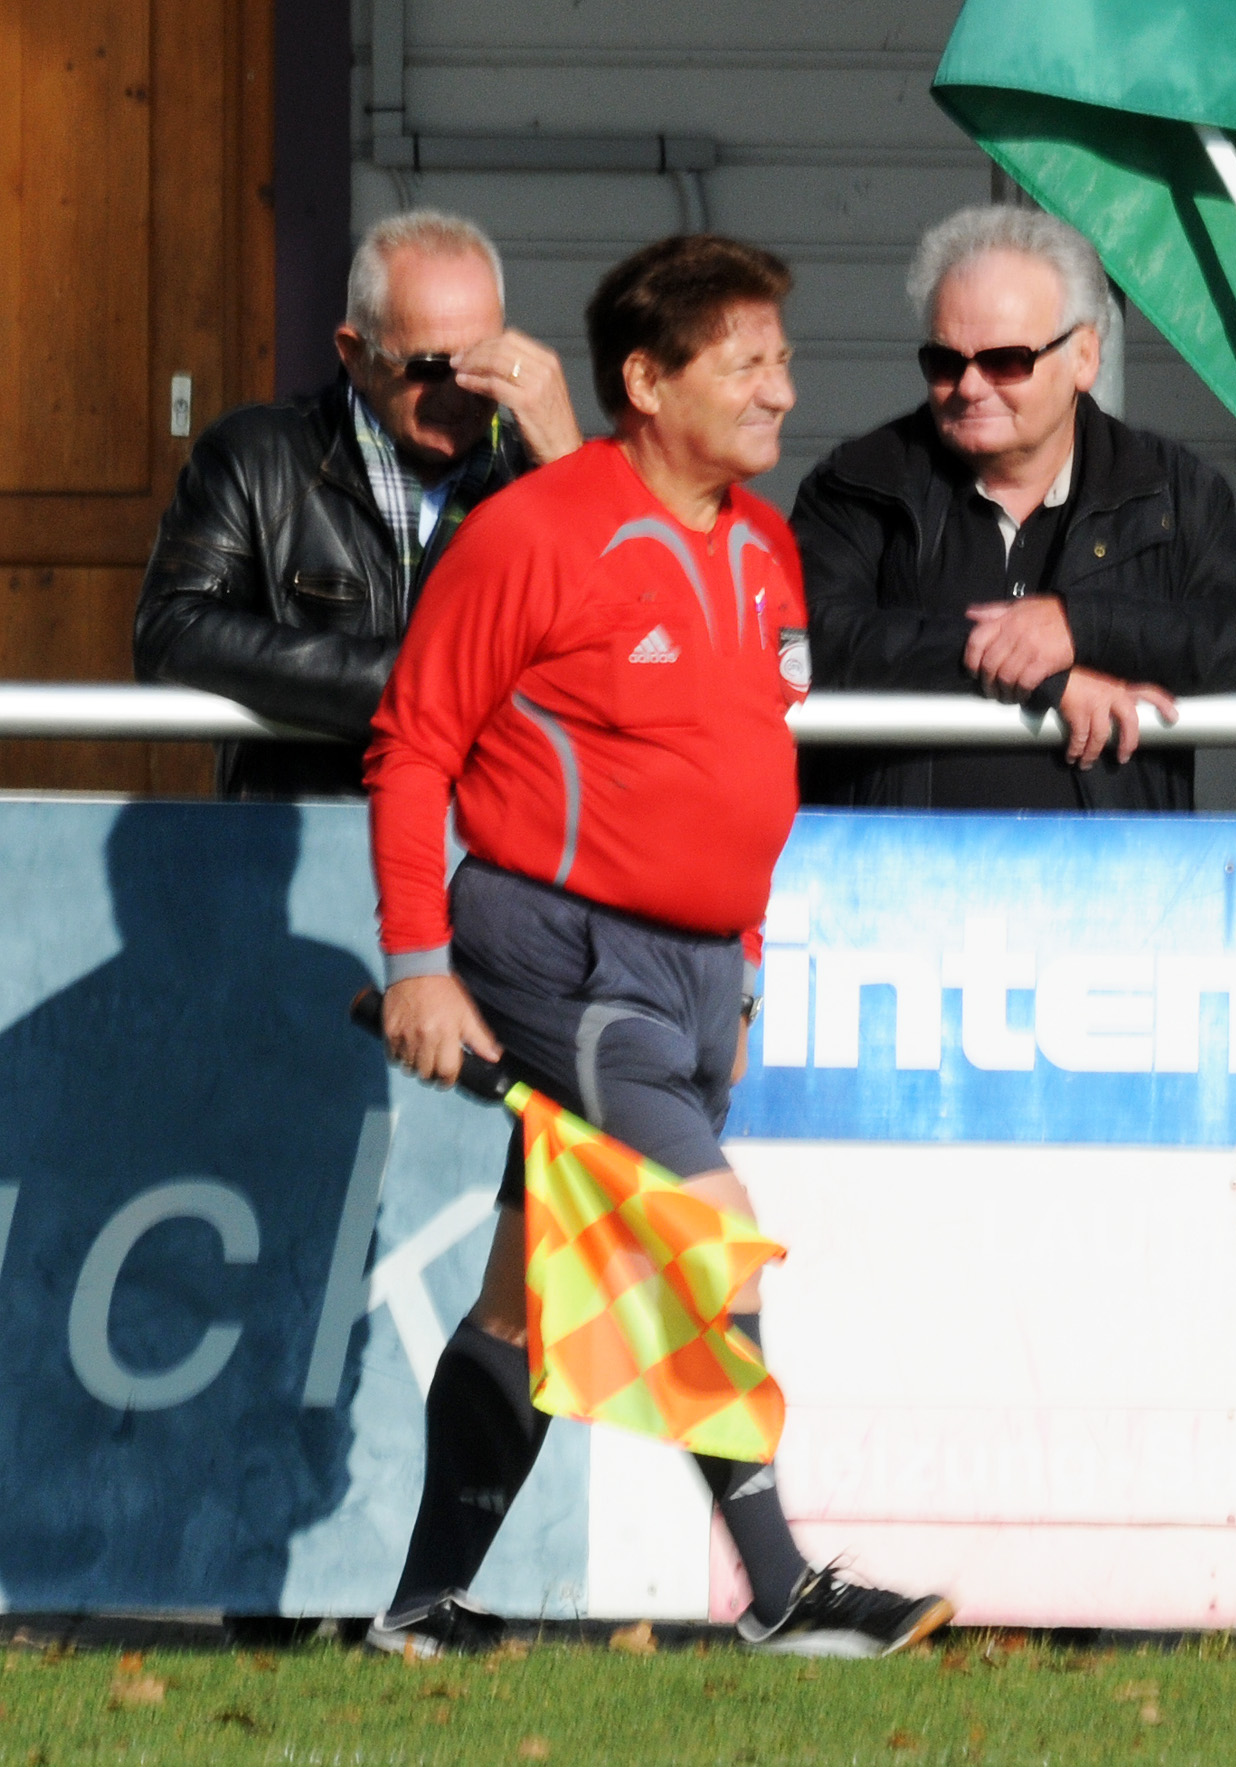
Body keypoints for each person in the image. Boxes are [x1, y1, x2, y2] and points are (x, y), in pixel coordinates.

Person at [362, 234, 950, 1660]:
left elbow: (748, 766)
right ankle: (784, 1590)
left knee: (527, 1293)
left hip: (694, 977)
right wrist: (419, 961)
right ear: (646, 380)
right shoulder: (534, 532)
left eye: (781, 360)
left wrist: (739, 960)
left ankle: (421, 1609)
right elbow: (414, 744)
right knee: (708, 1236)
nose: (779, 390)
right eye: (744, 364)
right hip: (564, 957)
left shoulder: (765, 545)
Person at [792, 204, 1236, 809]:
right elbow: (808, 640)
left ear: (1085, 356)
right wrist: (1039, 674)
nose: (970, 387)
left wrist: (1081, 628)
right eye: (945, 362)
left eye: (1006, 361)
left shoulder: (1169, 491)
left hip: (1113, 865)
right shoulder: (860, 483)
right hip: (892, 862)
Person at [134, 209, 582, 798]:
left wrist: (572, 473)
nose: (459, 392)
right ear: (355, 355)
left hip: (485, 838)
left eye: (481, 365)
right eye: (430, 367)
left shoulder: (542, 476)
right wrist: (411, 684)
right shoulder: (259, 456)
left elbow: (628, 655)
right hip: (307, 831)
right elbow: (170, 634)